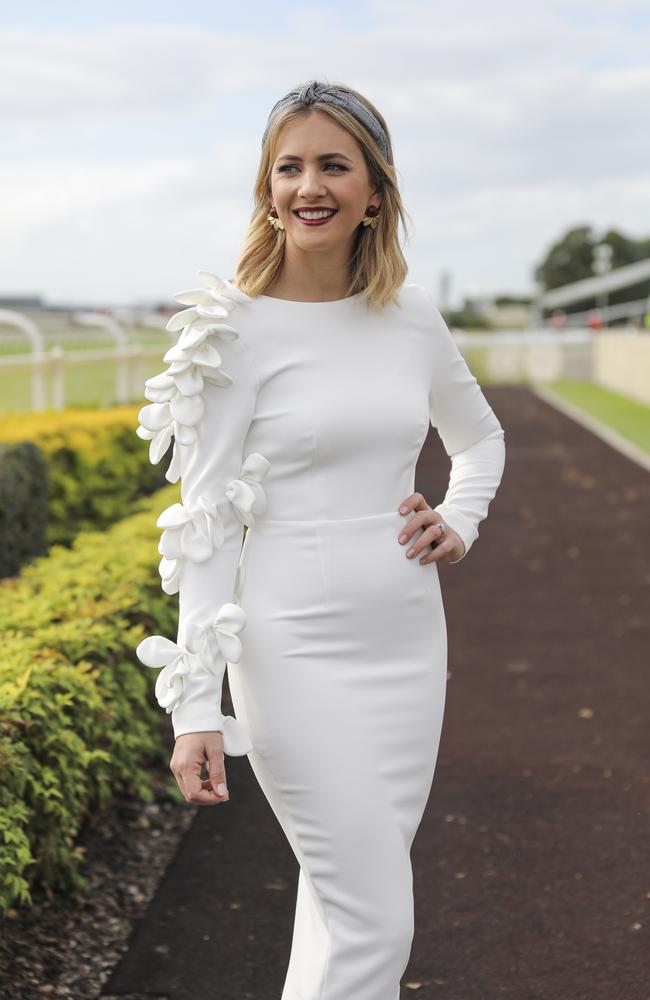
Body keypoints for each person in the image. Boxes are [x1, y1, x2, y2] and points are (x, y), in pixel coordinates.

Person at [135, 78, 506, 1000]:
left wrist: (458, 520)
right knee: (377, 910)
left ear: (375, 191)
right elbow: (208, 526)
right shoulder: (232, 336)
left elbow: (481, 438)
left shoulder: (412, 318)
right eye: (289, 166)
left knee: (342, 900)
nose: (310, 185)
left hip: (407, 643)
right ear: (267, 189)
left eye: (334, 165)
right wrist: (195, 711)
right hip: (289, 642)